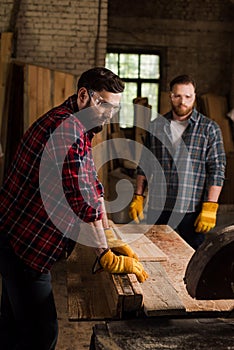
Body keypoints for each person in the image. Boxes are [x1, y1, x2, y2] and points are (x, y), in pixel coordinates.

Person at [0, 67, 148, 350]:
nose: (109, 115)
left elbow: (93, 186)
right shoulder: (67, 130)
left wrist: (111, 237)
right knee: (41, 335)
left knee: (12, 326)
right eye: (105, 105)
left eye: (115, 109)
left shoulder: (76, 125)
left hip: (16, 239)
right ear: (84, 96)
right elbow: (83, 203)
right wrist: (105, 254)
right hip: (24, 245)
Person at [129, 74, 226, 250]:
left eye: (188, 96)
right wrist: (138, 196)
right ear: (170, 96)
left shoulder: (209, 129)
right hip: (159, 206)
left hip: (191, 208)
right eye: (177, 96)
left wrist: (210, 205)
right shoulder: (156, 126)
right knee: (156, 253)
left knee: (193, 257)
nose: (183, 101)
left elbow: (217, 170)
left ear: (194, 96)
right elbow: (145, 164)